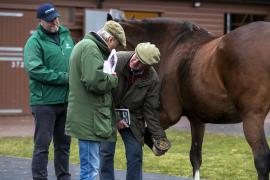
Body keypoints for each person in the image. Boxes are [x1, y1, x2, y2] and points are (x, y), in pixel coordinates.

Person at [99, 42, 171, 180]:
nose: (135, 61)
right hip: (108, 111)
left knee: (135, 153)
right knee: (106, 152)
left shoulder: (152, 79)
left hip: (132, 117)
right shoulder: (116, 60)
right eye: (135, 56)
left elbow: (151, 111)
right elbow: (101, 95)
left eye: (141, 62)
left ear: (148, 66)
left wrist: (159, 137)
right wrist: (116, 118)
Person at [65, 20, 126, 180]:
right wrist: (112, 79)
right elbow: (94, 81)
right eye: (116, 45)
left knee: (89, 168)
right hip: (90, 119)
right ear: (111, 39)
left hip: (87, 117)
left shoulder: (84, 45)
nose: (115, 49)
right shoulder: (91, 49)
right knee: (90, 170)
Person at [23, 3, 74, 180]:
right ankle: (40, 178)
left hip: (66, 101)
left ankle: (63, 177)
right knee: (42, 146)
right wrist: (65, 77)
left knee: (64, 145)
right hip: (44, 103)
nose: (54, 22)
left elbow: (74, 62)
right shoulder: (34, 42)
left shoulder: (67, 36)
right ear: (41, 21)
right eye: (50, 20)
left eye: (56, 18)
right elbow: (35, 69)